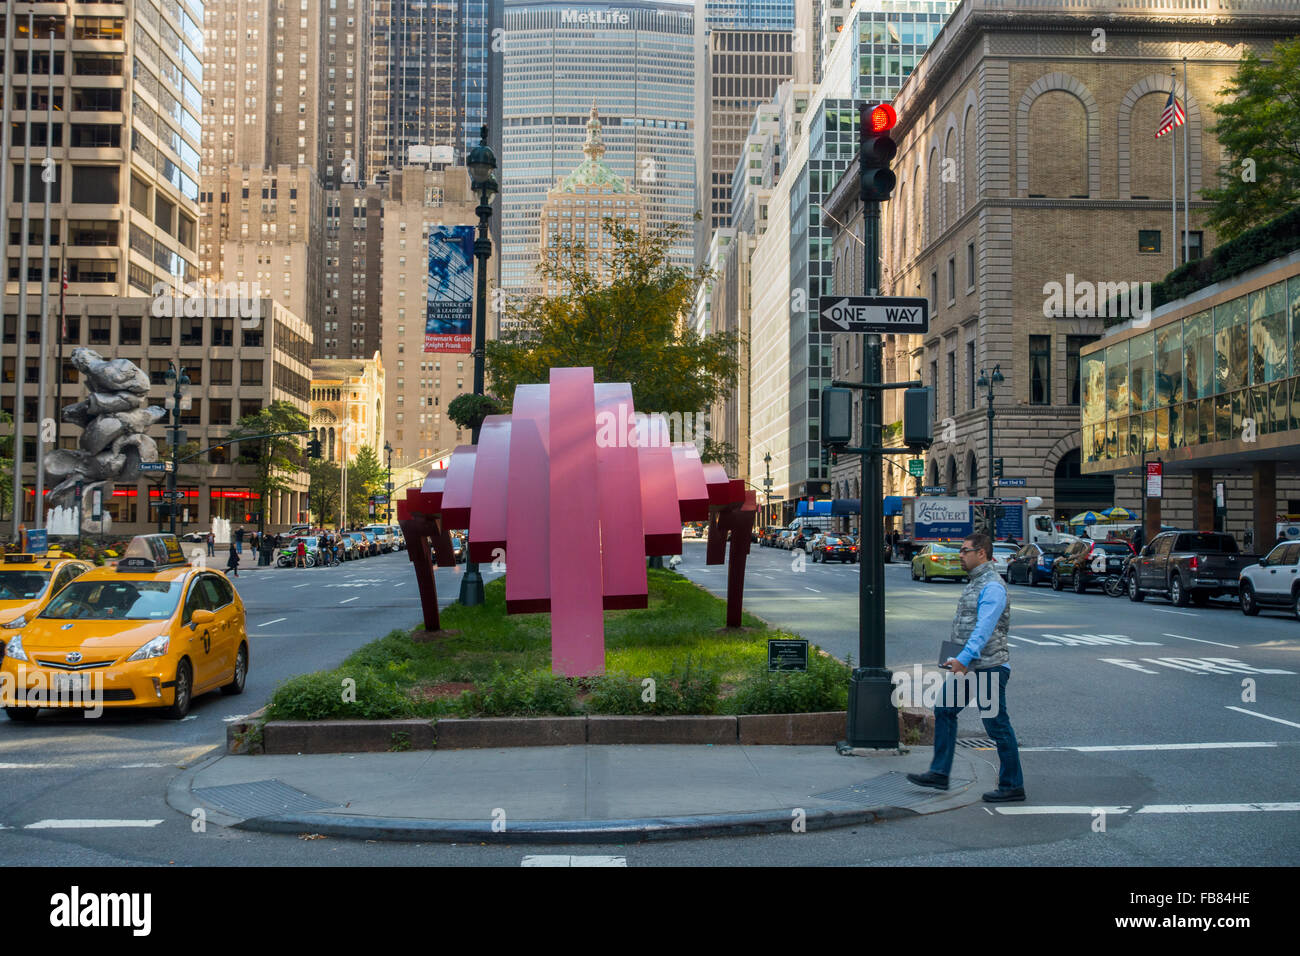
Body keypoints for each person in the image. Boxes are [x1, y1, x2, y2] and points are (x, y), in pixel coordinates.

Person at [907, 532, 1024, 803]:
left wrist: (963, 657)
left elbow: (984, 629)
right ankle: (939, 773)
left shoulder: (992, 586)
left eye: (964, 551)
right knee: (945, 710)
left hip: (990, 667)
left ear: (981, 553)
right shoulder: (975, 583)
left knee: (996, 725)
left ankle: (1012, 785)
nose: (960, 555)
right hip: (970, 666)